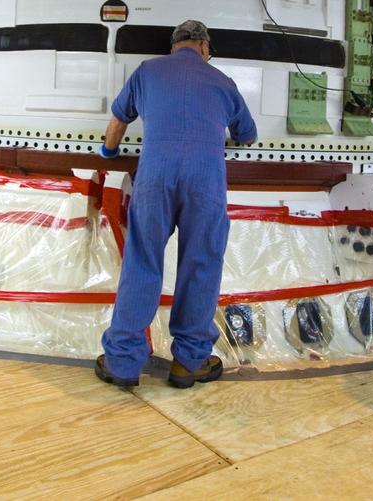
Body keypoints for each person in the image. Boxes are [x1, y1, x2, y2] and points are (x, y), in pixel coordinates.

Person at [94, 20, 257, 389]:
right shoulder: (223, 81)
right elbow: (247, 135)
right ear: (204, 46)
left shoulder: (147, 71)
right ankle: (189, 362)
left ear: (174, 46)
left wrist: (108, 152)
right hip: (205, 183)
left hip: (154, 180)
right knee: (201, 264)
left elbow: (118, 122)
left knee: (142, 261)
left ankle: (122, 363)